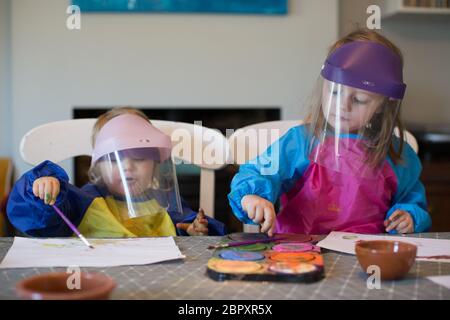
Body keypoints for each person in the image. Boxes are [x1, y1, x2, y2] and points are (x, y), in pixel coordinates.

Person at [228, 30, 431, 236]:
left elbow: (411, 200)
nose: (342, 105)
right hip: (297, 250)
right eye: (335, 91)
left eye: (359, 99)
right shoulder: (300, 141)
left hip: (365, 252)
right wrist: (252, 197)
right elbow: (258, 172)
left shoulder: (396, 153)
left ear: (382, 105)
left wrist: (409, 216)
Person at [7, 107, 226, 237]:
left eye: (139, 158)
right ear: (98, 166)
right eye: (115, 160)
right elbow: (40, 222)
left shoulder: (164, 201)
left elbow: (180, 228)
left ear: (155, 164)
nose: (127, 167)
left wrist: (193, 230)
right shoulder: (85, 200)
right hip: (97, 276)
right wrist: (41, 189)